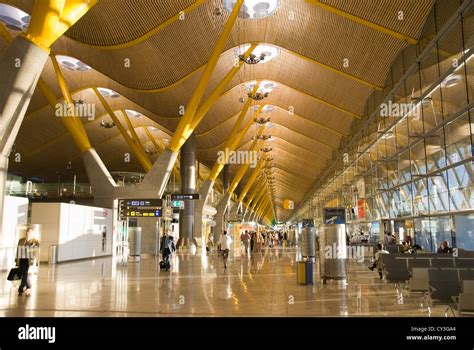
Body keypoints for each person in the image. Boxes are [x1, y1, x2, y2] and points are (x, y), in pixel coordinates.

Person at [16, 228, 40, 296]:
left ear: (32, 233)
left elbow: (35, 252)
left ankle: (21, 287)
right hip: (21, 259)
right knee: (23, 273)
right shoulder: (21, 240)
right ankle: (29, 286)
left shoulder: (35, 241)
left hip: (28, 260)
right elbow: (18, 250)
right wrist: (16, 259)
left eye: (29, 232)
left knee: (25, 273)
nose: (27, 233)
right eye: (27, 231)